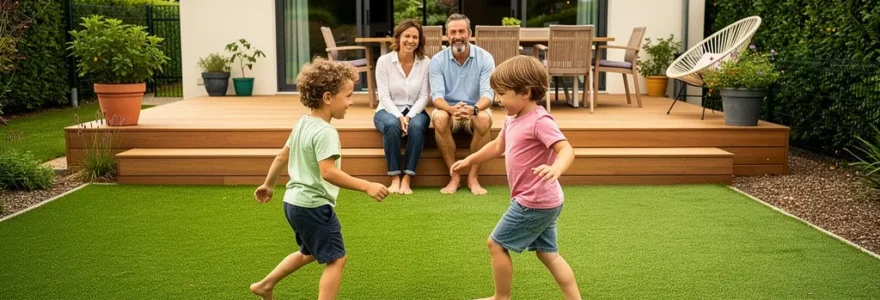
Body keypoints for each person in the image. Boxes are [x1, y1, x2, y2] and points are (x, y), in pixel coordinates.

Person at [250, 57, 390, 300]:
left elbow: (282, 156)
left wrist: (268, 184)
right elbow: (328, 172)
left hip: (293, 203)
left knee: (310, 252)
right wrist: (366, 186)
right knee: (337, 259)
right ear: (327, 98)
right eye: (348, 96)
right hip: (313, 206)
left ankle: (265, 285)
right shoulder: (326, 132)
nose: (350, 102)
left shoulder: (303, 123)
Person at [451, 56, 581, 300]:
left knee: (496, 244)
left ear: (525, 92)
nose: (497, 99)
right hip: (547, 200)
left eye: (502, 94)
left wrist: (556, 169)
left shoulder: (540, 121)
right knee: (548, 254)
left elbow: (566, 149)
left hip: (534, 201)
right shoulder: (513, 117)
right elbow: (498, 146)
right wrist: (470, 160)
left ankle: (501, 297)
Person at [429, 13, 495, 195]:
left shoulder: (485, 58)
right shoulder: (437, 61)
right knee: (439, 118)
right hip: (449, 110)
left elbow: (488, 94)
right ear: (446, 35)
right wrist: (450, 109)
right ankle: (455, 176)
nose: (457, 36)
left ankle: (473, 177)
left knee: (483, 119)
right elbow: (437, 97)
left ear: (470, 34)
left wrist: (474, 109)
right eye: (453, 32)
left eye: (461, 31)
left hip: (475, 108)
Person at [373, 19, 431, 195]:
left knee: (417, 126)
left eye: (415, 37)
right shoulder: (384, 61)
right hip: (387, 110)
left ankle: (407, 178)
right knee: (392, 125)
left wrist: (409, 116)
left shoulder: (425, 62)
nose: (410, 40)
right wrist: (399, 116)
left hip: (415, 109)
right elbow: (383, 96)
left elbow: (424, 96)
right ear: (398, 38)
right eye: (407, 36)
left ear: (420, 40)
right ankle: (395, 178)